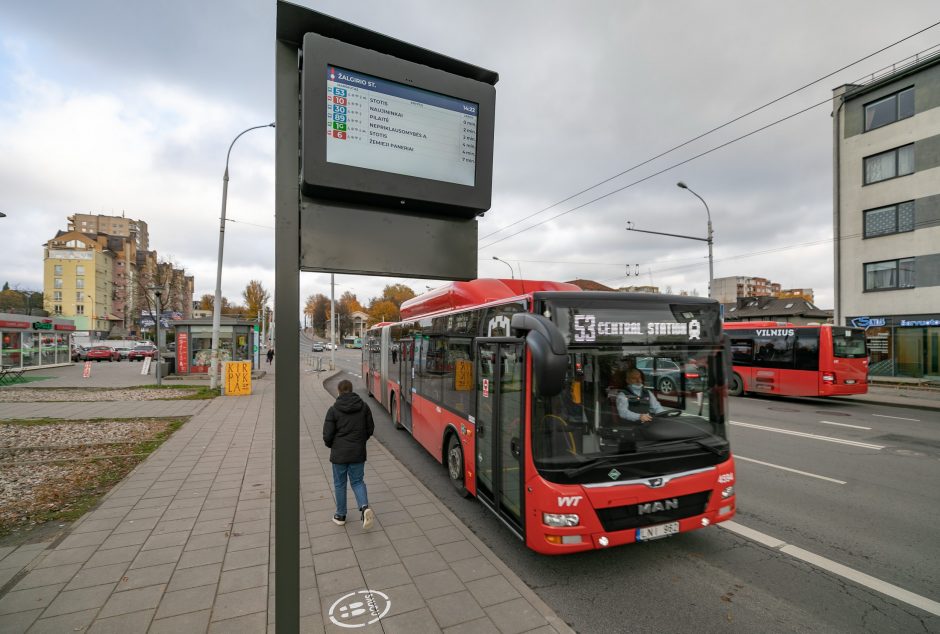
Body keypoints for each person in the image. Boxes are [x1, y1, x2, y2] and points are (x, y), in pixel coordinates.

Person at [323, 379, 375, 529]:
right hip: (358, 453)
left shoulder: (333, 410)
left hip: (339, 454)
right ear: (352, 390)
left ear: (339, 391)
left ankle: (340, 515)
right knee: (358, 481)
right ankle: (364, 507)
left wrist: (332, 445)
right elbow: (370, 429)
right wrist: (360, 441)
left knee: (340, 484)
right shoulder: (363, 407)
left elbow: (327, 435)